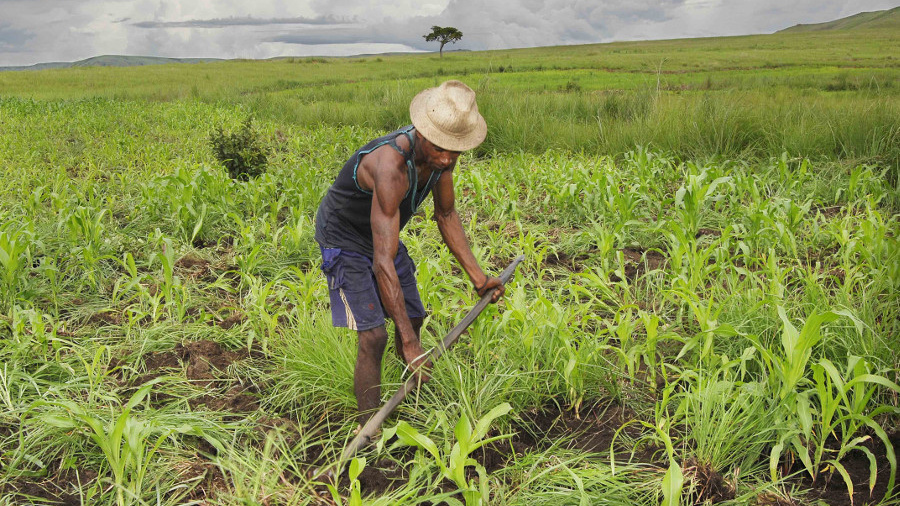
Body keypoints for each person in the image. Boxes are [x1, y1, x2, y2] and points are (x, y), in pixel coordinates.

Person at [314, 80, 505, 426]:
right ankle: (368, 428)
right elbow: (382, 261)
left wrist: (479, 278)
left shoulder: (442, 158)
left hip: (382, 233)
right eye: (440, 148)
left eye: (455, 150)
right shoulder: (390, 167)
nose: (447, 159)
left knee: (414, 317)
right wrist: (410, 343)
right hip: (344, 236)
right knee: (375, 336)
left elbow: (446, 215)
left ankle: (410, 390)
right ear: (422, 130)